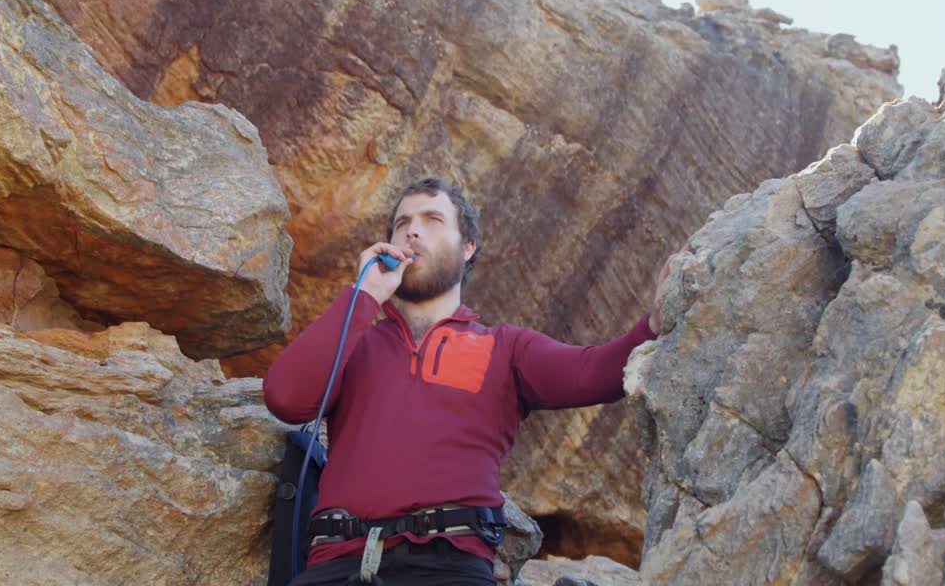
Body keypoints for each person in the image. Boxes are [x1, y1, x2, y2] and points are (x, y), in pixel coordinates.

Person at [263, 177, 670, 585]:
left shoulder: (505, 348)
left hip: (448, 566)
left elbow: (595, 373)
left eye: (432, 219)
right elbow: (285, 397)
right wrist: (363, 296)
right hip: (335, 565)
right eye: (402, 223)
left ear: (468, 246)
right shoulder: (355, 341)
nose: (413, 230)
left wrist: (652, 324)